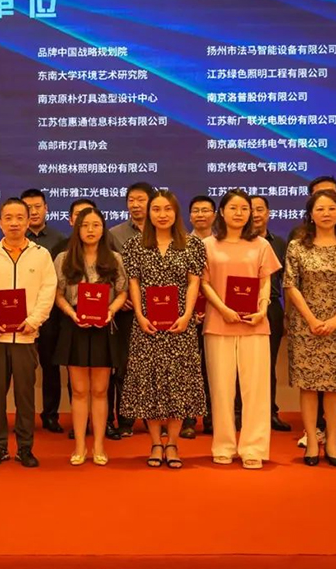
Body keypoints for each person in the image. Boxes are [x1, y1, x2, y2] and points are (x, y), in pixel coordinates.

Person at [120, 190, 207, 469]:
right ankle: (156, 442)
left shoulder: (192, 244)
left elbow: (194, 282)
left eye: (167, 209)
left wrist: (187, 315)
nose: (162, 214)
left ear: (176, 212)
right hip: (147, 326)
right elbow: (133, 282)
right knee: (150, 385)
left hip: (180, 325)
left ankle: (173, 443)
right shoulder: (134, 245)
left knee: (178, 384)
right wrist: (140, 314)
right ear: (149, 213)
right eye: (156, 209)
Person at [0, 198, 57, 467]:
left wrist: (34, 320)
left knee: (25, 396)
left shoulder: (41, 255)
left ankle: (25, 447)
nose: (14, 223)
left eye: (20, 217)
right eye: (8, 218)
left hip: (26, 337)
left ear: (28, 221)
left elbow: (48, 291)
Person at [284, 190, 336, 467]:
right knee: (308, 385)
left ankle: (331, 441)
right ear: (311, 214)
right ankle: (310, 440)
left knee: (335, 386)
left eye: (331, 208)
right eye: (320, 209)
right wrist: (311, 319)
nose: (326, 214)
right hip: (305, 325)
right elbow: (290, 284)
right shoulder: (297, 246)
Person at [201, 190, 281, 469]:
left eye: (244, 208)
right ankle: (223, 445)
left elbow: (265, 280)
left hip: (255, 323)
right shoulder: (207, 245)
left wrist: (262, 308)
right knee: (221, 389)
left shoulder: (261, 245)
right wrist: (222, 308)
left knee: (256, 389)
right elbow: (204, 283)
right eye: (233, 208)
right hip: (218, 322)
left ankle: (253, 448)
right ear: (221, 212)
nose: (239, 213)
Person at [54, 208, 128, 465]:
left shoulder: (115, 259)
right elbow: (58, 294)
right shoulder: (64, 258)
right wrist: (71, 313)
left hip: (103, 326)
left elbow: (122, 292)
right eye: (85, 225)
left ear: (103, 228)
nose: (90, 230)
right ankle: (79, 446)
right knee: (78, 390)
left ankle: (98, 446)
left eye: (96, 225)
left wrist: (110, 311)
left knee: (100, 390)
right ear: (77, 228)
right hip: (75, 324)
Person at [107, 182, 155, 437]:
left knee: (156, 365)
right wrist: (119, 295)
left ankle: (154, 418)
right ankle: (125, 420)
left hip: (159, 309)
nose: (135, 205)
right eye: (131, 200)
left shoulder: (166, 232)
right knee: (125, 365)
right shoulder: (114, 234)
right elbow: (109, 270)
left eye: (141, 200)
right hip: (126, 310)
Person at [21, 189, 67, 433]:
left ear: (46, 208)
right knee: (22, 368)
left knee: (50, 367)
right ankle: (23, 416)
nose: (33, 212)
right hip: (20, 314)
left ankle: (50, 415)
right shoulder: (14, 240)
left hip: (50, 315)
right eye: (27, 208)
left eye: (37, 206)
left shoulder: (61, 241)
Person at [250, 194, 291, 432]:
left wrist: (287, 315)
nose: (255, 214)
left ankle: (269, 412)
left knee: (267, 363)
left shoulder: (279, 243)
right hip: (240, 307)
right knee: (241, 364)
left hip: (272, 306)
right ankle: (239, 412)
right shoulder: (235, 242)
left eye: (260, 209)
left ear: (268, 213)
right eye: (251, 209)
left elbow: (287, 281)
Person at [184, 194, 217, 437]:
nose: (201, 215)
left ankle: (212, 419)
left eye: (205, 210)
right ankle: (187, 420)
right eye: (196, 210)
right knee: (188, 369)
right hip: (187, 316)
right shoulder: (182, 244)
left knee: (214, 369)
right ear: (189, 216)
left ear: (215, 215)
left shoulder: (222, 244)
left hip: (217, 314)